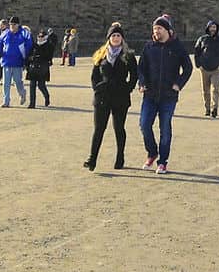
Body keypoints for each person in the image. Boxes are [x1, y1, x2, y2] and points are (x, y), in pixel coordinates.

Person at [138, 14, 193, 174]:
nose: (156, 31)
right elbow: (141, 68)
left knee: (165, 129)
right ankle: (152, 153)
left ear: (168, 30)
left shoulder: (177, 47)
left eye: (159, 28)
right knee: (144, 125)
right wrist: (142, 82)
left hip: (168, 96)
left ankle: (163, 161)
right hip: (150, 94)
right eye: (155, 29)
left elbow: (188, 67)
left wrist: (179, 83)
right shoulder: (149, 47)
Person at [83, 22, 138, 171]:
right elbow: (94, 76)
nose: (115, 37)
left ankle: (120, 157)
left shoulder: (128, 55)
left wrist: (128, 88)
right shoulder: (101, 55)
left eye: (118, 35)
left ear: (122, 38)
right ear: (109, 38)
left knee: (118, 128)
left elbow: (134, 75)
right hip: (103, 97)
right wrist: (97, 89)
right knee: (99, 128)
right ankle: (92, 158)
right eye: (113, 35)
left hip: (120, 97)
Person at [194, 20, 219, 118]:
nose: (213, 29)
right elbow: (197, 52)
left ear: (217, 28)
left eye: (214, 27)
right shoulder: (202, 39)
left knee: (215, 89)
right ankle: (207, 108)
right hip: (204, 68)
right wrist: (199, 65)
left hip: (216, 69)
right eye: (211, 27)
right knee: (206, 90)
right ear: (208, 28)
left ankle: (215, 108)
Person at [0, 15, 32, 107]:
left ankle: (22, 93)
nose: (12, 26)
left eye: (14, 24)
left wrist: (26, 57)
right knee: (6, 83)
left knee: (17, 81)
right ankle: (6, 101)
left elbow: (29, 45)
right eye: (10, 24)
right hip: (6, 60)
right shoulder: (5, 33)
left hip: (18, 62)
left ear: (18, 24)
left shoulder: (24, 33)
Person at [25, 29, 55, 108]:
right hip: (33, 67)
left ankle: (46, 96)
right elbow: (29, 55)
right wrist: (28, 62)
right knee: (32, 86)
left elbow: (49, 57)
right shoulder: (34, 45)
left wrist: (40, 57)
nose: (40, 38)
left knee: (41, 85)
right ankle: (32, 103)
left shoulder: (49, 45)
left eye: (42, 36)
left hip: (43, 67)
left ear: (45, 37)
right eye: (39, 36)